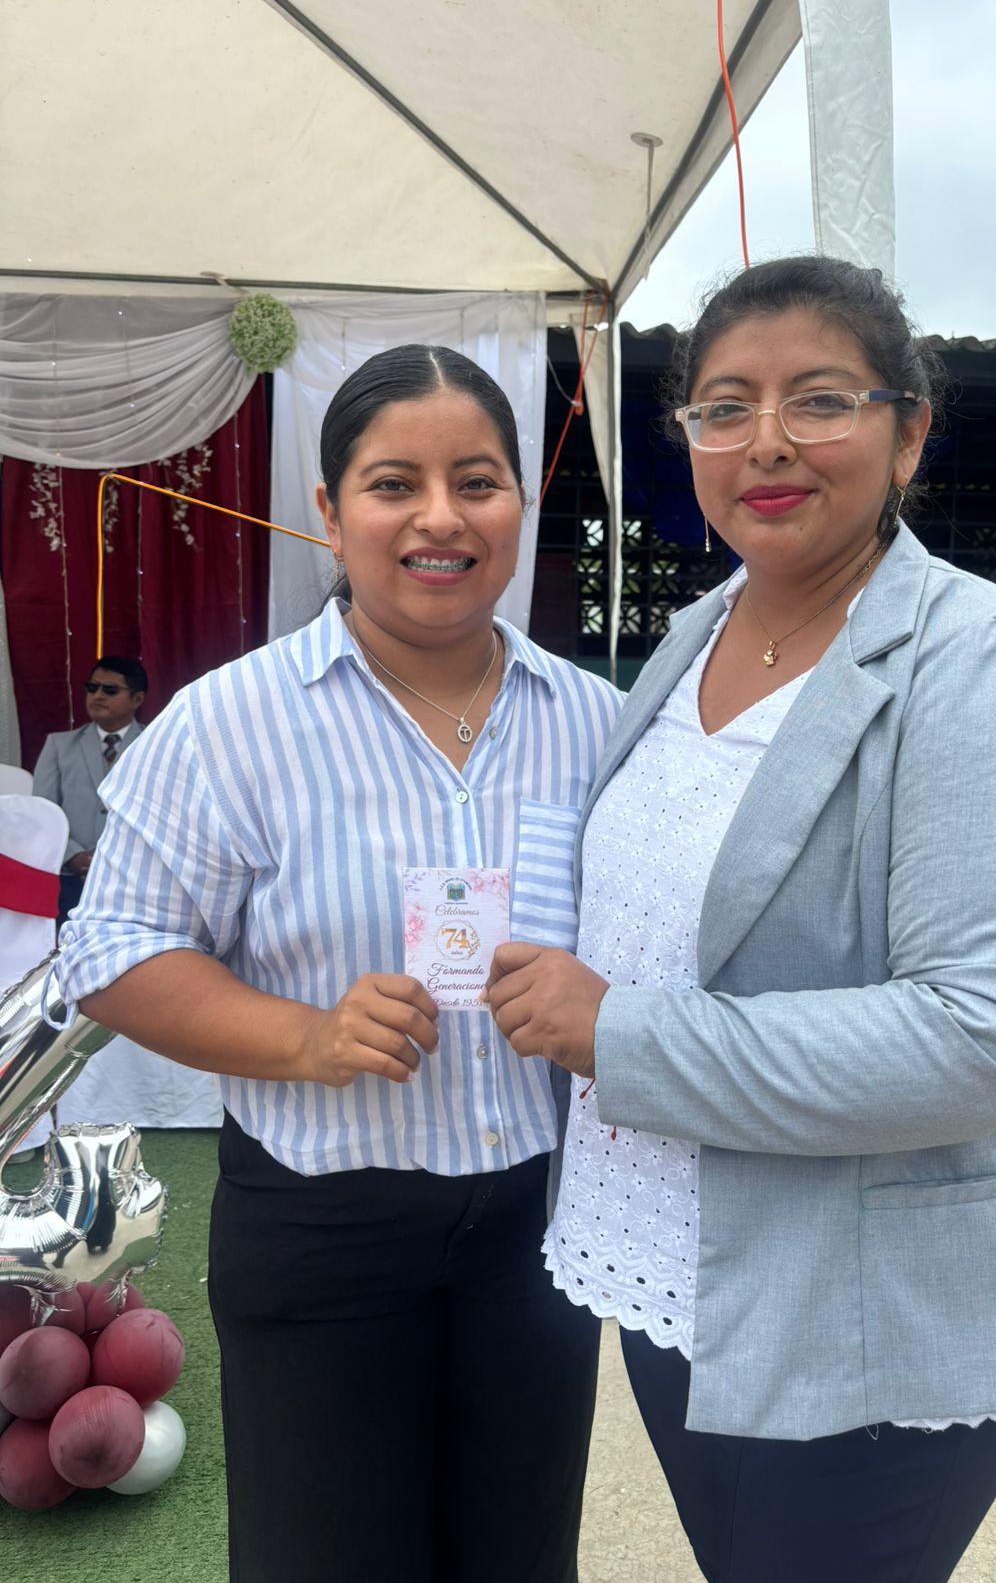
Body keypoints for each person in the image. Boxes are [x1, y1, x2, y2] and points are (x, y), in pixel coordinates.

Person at [485, 257, 996, 1583]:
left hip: (869, 1326)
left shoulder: (984, 660)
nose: (766, 442)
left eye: (820, 400)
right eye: (724, 408)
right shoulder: (692, 635)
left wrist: (620, 1034)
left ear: (910, 432)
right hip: (675, 1276)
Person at [55, 345, 622, 1583]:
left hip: (536, 1229)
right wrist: (305, 1036)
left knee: (520, 1557)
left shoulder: (594, 722)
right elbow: (110, 948)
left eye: (477, 481)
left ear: (521, 502)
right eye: (392, 483)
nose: (440, 517)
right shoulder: (232, 722)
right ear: (329, 509)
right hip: (323, 1230)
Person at [32, 655, 146, 921]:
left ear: (137, 699)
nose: (98, 695)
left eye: (110, 690)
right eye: (92, 687)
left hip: (134, 879)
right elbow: (43, 812)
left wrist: (118, 859)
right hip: (68, 879)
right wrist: (72, 855)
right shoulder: (58, 745)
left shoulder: (154, 744)